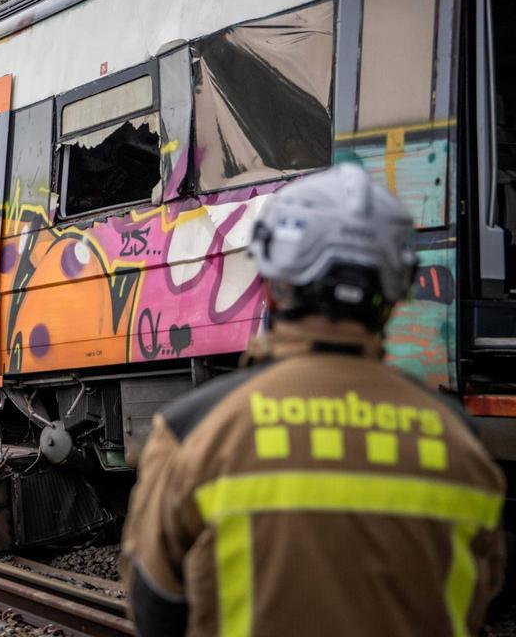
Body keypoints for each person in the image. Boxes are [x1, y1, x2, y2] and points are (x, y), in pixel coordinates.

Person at [120, 163, 506, 637]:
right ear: (393, 295)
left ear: (272, 285)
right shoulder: (461, 441)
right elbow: (476, 601)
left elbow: (156, 610)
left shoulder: (194, 432)